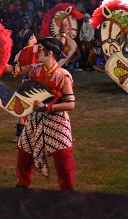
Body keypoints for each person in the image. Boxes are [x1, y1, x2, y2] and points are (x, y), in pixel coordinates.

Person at [6, 37, 76, 190]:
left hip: (57, 121)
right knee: (24, 150)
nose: (37, 51)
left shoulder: (63, 75)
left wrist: (46, 107)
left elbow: (70, 104)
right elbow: (13, 69)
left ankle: (67, 190)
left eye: (41, 49)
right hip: (35, 119)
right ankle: (22, 185)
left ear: (50, 53)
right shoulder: (35, 69)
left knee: (63, 156)